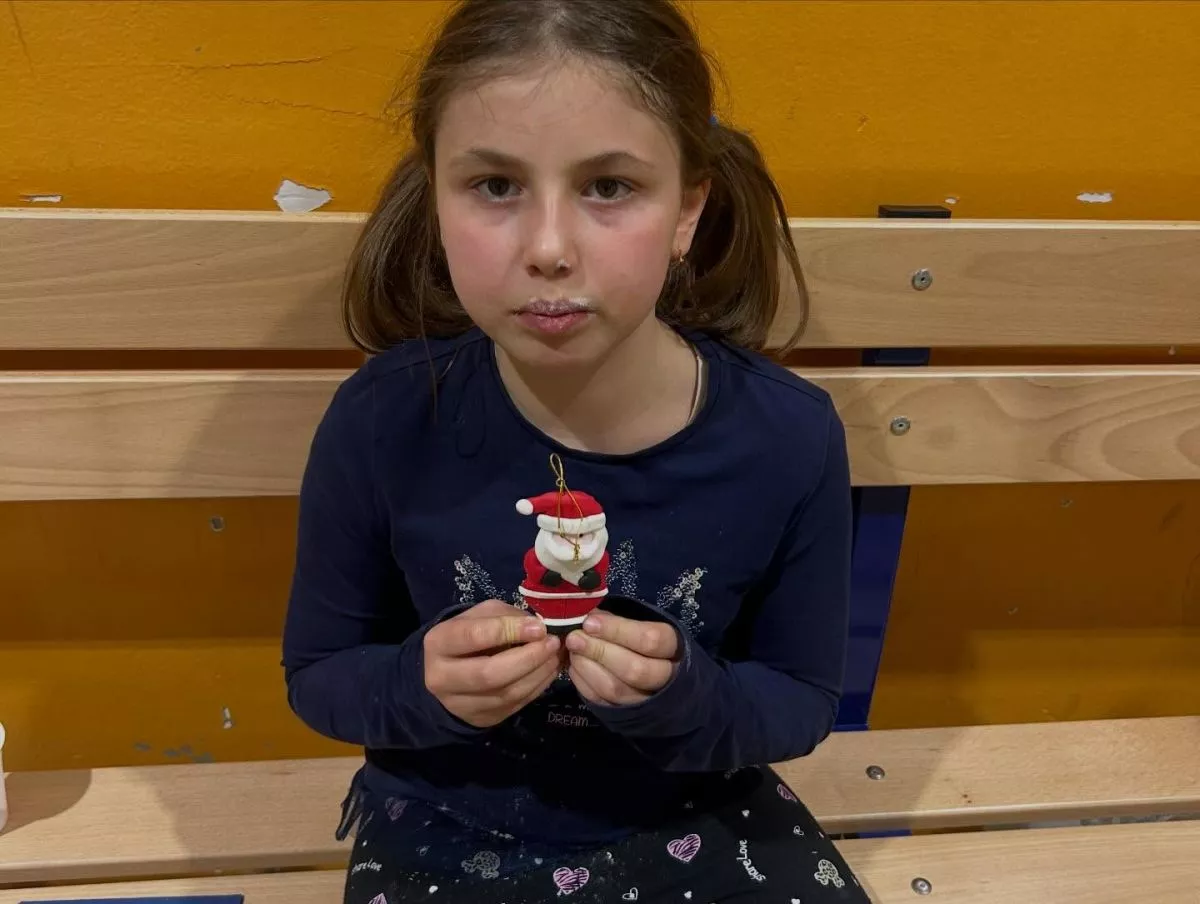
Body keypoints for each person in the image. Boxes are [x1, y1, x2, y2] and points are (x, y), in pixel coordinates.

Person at [281, 1, 868, 901]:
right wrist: (417, 685)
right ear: (435, 197)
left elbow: (800, 699)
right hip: (445, 813)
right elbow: (319, 674)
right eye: (494, 186)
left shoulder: (789, 437)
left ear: (688, 210)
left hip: (695, 807)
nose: (549, 249)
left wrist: (687, 698)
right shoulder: (382, 420)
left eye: (609, 187)